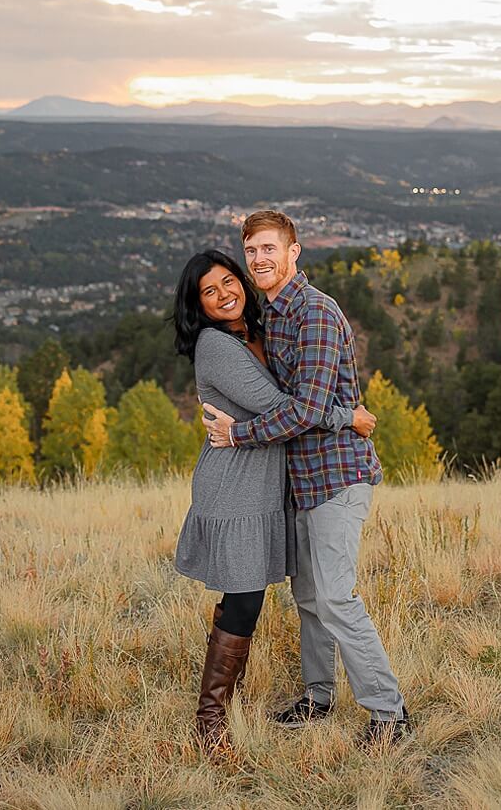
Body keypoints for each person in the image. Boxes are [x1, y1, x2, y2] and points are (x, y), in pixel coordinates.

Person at [203, 210, 411, 746]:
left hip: (337, 477)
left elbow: (307, 408)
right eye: (251, 252)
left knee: (337, 597)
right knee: (311, 599)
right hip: (298, 482)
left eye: (269, 248)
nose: (259, 260)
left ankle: (389, 714)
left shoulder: (316, 313)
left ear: (295, 251)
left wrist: (239, 434)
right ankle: (319, 698)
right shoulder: (271, 316)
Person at [171, 249, 376, 752]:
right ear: (198, 306)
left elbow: (298, 397)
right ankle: (211, 721)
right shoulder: (215, 346)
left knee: (251, 595)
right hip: (234, 484)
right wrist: (346, 417)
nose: (224, 294)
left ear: (242, 280)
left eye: (228, 282)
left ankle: (258, 704)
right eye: (209, 291)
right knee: (243, 598)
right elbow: (284, 407)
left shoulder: (262, 332)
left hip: (269, 484)